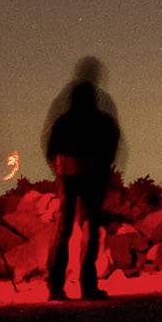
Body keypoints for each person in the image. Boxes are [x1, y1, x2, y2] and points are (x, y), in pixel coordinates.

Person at [43, 61, 122, 301]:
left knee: (63, 229)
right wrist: (104, 170)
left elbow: (50, 148)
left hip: (67, 175)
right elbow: (111, 146)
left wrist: (58, 169)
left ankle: (56, 286)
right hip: (93, 177)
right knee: (91, 230)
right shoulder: (104, 122)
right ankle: (88, 286)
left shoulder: (63, 121)